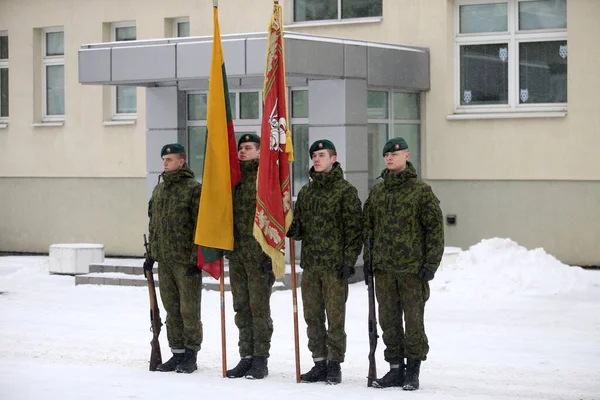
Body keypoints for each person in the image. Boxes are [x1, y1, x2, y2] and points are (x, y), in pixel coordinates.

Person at [363, 137, 444, 391]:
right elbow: (369, 228)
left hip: (411, 270)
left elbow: (434, 230)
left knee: (413, 322)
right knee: (388, 321)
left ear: (406, 155)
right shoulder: (378, 191)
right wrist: (368, 261)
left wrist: (430, 265)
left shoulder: (421, 191)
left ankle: (413, 371)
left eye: (395, 154)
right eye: (386, 154)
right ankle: (395, 369)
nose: (389, 158)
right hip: (384, 269)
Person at [286, 139, 363, 385]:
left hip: (334, 267)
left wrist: (349, 261)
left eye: (321, 155)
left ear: (334, 158)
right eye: (314, 156)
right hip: (311, 266)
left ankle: (334, 364)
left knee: (335, 318)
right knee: (312, 316)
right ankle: (319, 361)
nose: (316, 160)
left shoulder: (345, 191)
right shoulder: (307, 192)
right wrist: (292, 228)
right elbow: (301, 228)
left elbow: (354, 231)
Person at [143, 143, 203, 374]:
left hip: (185, 261)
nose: (165, 163)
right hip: (165, 260)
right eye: (163, 160)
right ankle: (176, 352)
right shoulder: (159, 190)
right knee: (171, 308)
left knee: (189, 309)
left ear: (182, 161)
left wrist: (196, 259)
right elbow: (154, 225)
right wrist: (151, 256)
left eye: (169, 159)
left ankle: (190, 354)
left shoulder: (193, 189)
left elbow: (200, 226)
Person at [226, 134, 275, 380]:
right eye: (240, 148)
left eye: (248, 148)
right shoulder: (233, 179)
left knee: (259, 309)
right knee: (241, 308)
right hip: (237, 255)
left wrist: (271, 252)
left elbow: (277, 216)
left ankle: (260, 359)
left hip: (259, 257)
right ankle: (245, 356)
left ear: (259, 151)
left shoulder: (265, 180)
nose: (242, 152)